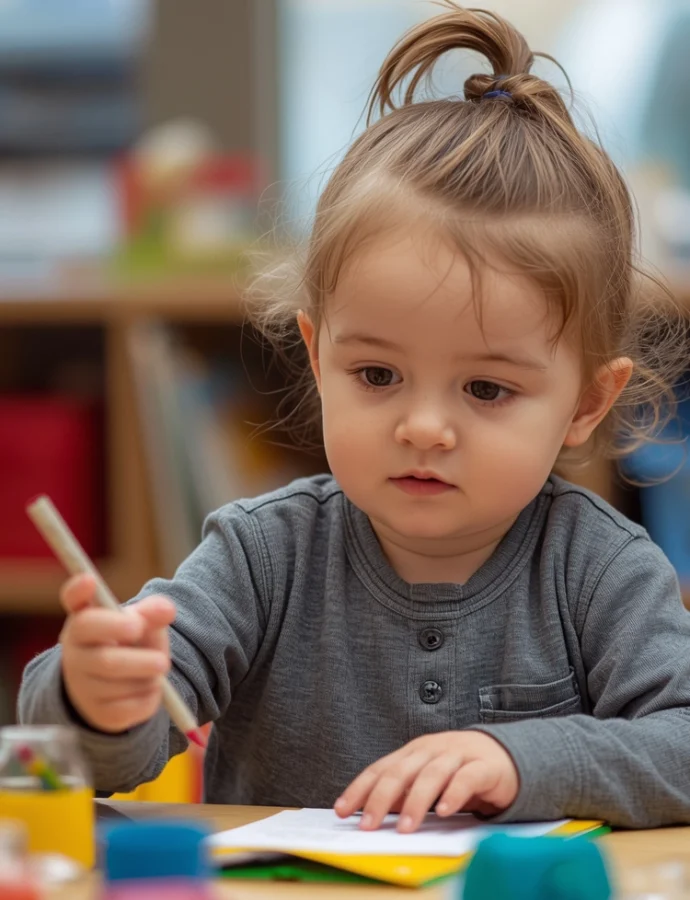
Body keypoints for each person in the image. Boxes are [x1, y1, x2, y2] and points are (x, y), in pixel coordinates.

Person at [19, 2, 690, 833]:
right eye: (377, 374)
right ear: (316, 357)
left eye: (486, 390)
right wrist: (95, 699)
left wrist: (523, 758)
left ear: (588, 402)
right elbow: (99, 759)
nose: (423, 427)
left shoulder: (600, 571)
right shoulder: (261, 556)